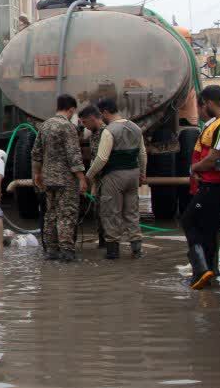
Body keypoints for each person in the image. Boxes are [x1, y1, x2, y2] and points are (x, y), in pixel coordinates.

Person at [181, 85, 220, 289]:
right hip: (210, 184)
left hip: (215, 185)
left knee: (189, 221)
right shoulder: (219, 123)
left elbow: (214, 158)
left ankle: (200, 269)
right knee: (208, 228)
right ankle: (209, 270)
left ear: (208, 103)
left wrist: (194, 167)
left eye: (200, 107)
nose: (199, 112)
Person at [87, 97, 147, 261]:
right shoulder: (135, 127)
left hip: (114, 176)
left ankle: (113, 252)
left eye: (101, 114)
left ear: (105, 112)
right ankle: (137, 250)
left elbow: (101, 159)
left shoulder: (109, 131)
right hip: (133, 175)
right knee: (132, 213)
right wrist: (143, 173)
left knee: (111, 213)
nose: (101, 117)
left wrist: (88, 176)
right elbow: (142, 154)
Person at [33, 94, 87, 262]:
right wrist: (82, 178)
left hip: (48, 179)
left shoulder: (45, 125)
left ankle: (51, 251)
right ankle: (67, 252)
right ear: (71, 109)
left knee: (51, 214)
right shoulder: (67, 127)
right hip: (65, 180)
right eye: (73, 112)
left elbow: (36, 153)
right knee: (67, 214)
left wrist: (37, 174)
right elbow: (74, 155)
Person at [77, 105, 106, 249]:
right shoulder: (94, 134)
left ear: (93, 119)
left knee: (107, 213)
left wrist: (87, 178)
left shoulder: (106, 133)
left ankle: (110, 246)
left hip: (108, 179)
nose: (84, 127)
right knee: (98, 212)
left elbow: (101, 159)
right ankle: (103, 243)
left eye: (84, 122)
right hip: (99, 180)